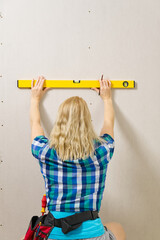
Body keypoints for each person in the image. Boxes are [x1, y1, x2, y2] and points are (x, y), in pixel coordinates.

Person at [22, 75, 126, 240]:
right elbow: (108, 124)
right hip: (93, 235)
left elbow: (35, 124)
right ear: (88, 122)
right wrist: (107, 98)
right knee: (117, 228)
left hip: (54, 234)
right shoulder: (101, 152)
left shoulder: (46, 152)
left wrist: (35, 99)